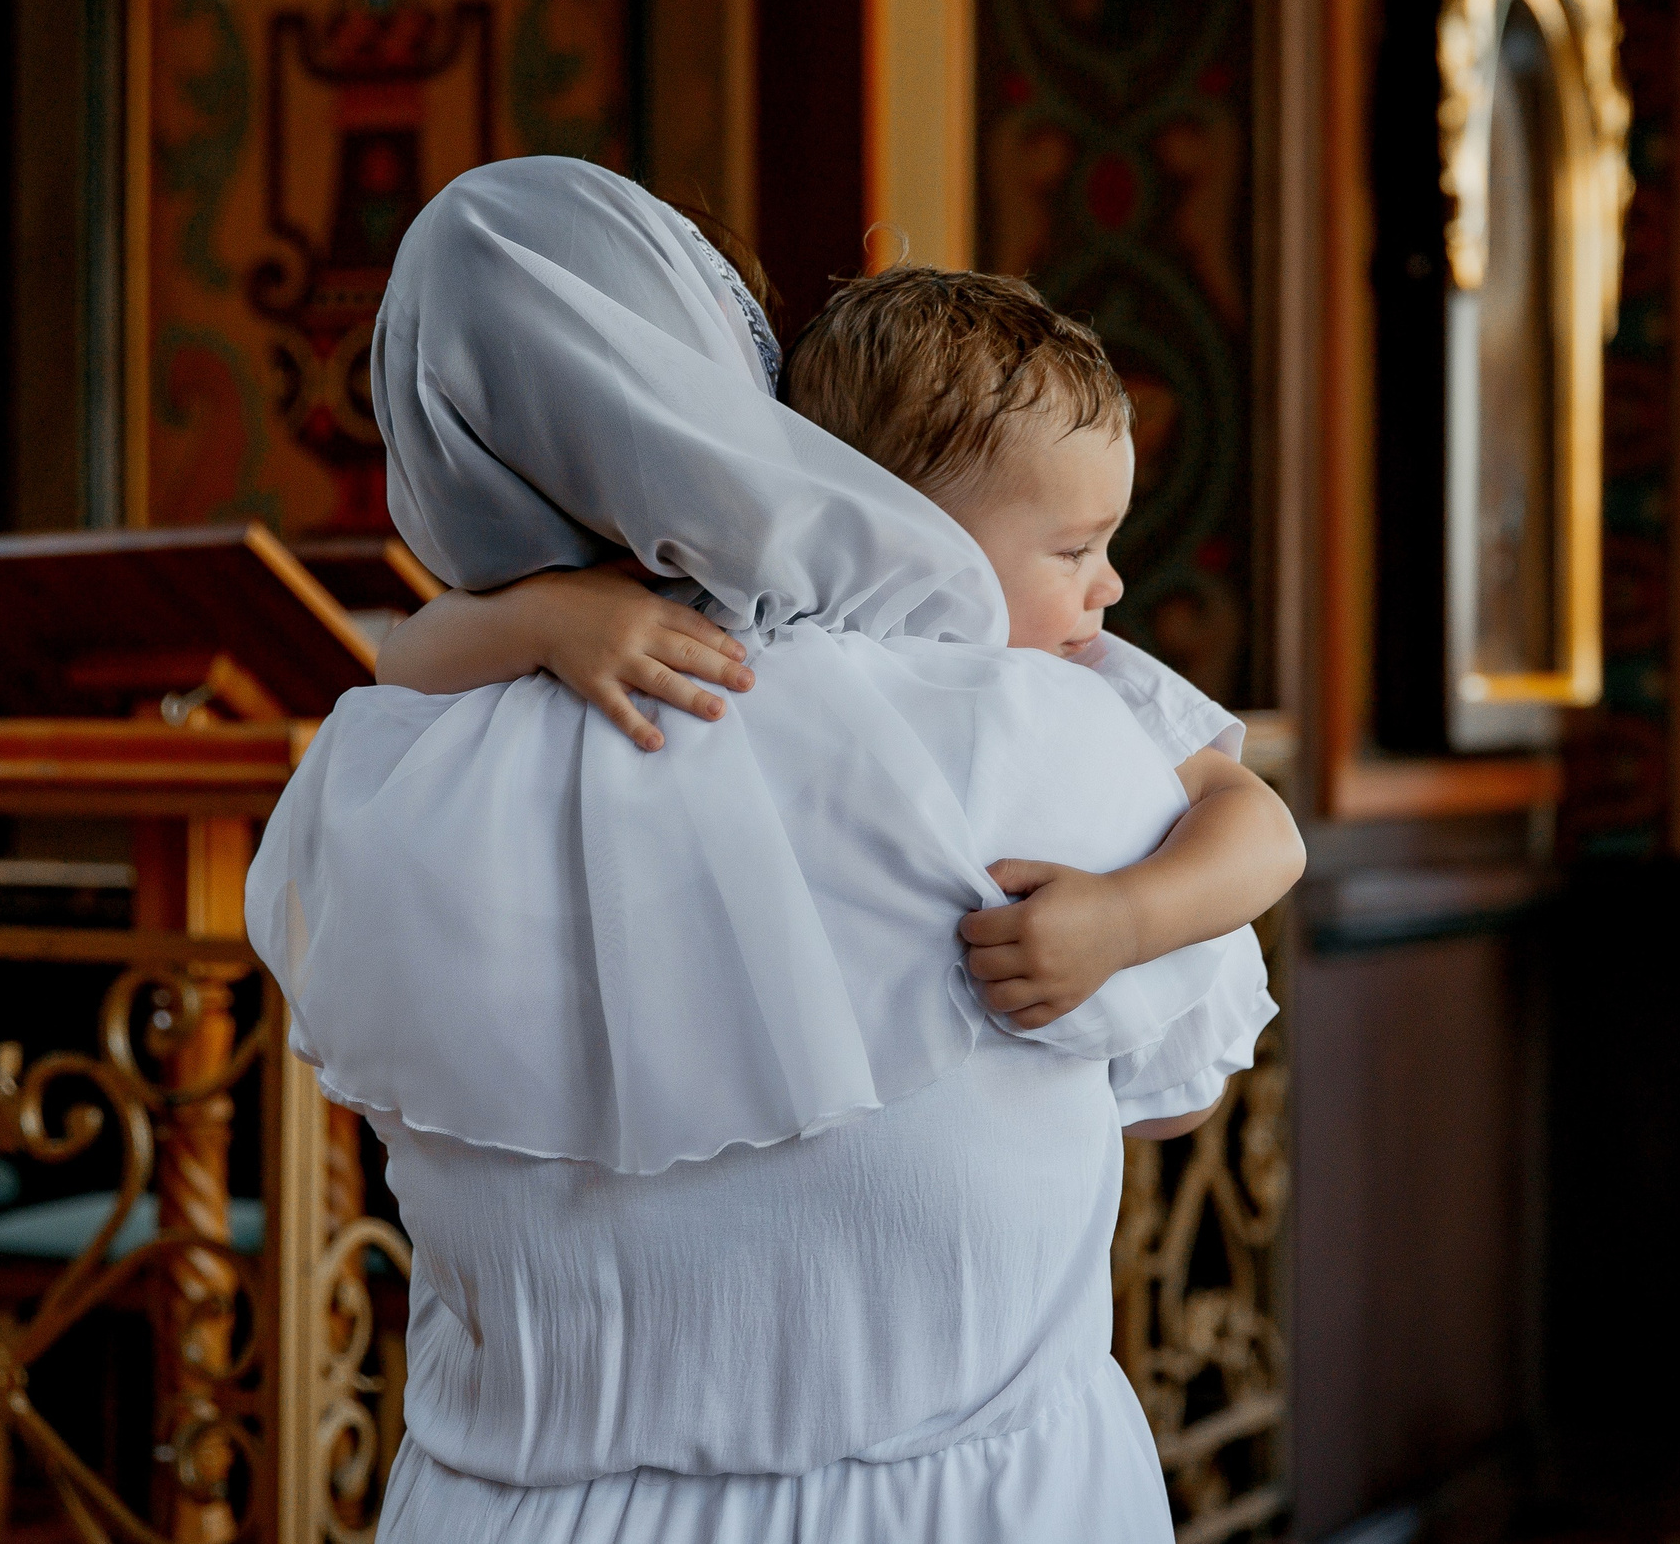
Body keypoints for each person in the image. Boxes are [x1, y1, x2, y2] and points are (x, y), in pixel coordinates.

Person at [245, 156, 1293, 1542]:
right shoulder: (1039, 731)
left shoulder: (376, 772)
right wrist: (1118, 922)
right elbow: (1170, 1094)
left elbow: (411, 661)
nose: (1100, 586)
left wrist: (534, 620)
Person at [376, 265, 1300, 1043]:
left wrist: (1128, 918)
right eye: (1073, 550)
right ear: (908, 528)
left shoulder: (1088, 668)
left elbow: (1263, 830)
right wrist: (547, 618)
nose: (1111, 587)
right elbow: (403, 664)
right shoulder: (742, 611)